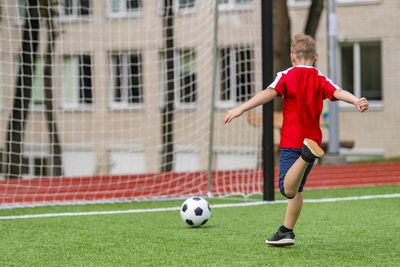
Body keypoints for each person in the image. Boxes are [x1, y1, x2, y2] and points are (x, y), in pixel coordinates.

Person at [223, 34, 369, 247]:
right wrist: (356, 100)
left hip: (293, 142)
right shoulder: (320, 78)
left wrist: (241, 108)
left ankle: (306, 155)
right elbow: (338, 91)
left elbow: (268, 93)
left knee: (287, 189)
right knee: (297, 189)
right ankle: (286, 231)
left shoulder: (286, 75)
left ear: (292, 56)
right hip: (314, 140)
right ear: (316, 56)